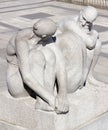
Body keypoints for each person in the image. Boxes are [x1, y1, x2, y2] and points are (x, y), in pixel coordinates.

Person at [6, 18, 69, 114]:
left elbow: (60, 62)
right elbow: (26, 76)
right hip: (17, 84)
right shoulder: (21, 40)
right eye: (51, 36)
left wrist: (62, 92)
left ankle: (45, 98)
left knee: (49, 54)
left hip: (32, 84)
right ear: (44, 35)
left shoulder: (41, 34)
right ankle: (42, 101)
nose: (51, 38)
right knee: (36, 55)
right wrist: (52, 99)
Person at [56, 6, 104, 87]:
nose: (84, 23)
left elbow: (88, 40)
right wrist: (95, 32)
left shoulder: (86, 23)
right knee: (91, 47)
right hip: (61, 49)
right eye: (83, 18)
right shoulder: (70, 23)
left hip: (73, 45)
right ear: (80, 12)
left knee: (98, 44)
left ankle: (89, 77)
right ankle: (82, 79)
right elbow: (90, 43)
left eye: (88, 22)